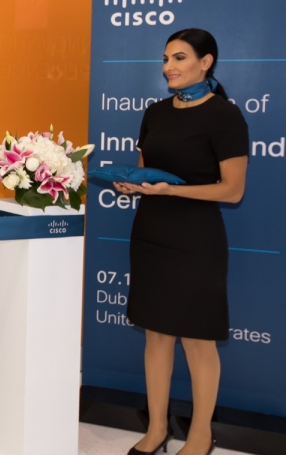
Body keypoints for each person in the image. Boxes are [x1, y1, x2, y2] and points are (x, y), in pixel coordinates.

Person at [114, 28, 248, 455]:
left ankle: (201, 435)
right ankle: (157, 429)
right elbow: (144, 170)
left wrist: (172, 191)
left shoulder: (224, 115)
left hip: (196, 239)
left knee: (197, 340)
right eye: (166, 58)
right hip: (151, 233)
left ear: (205, 62)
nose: (168, 67)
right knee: (156, 335)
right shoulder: (155, 112)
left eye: (179, 58)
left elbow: (232, 190)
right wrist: (131, 183)